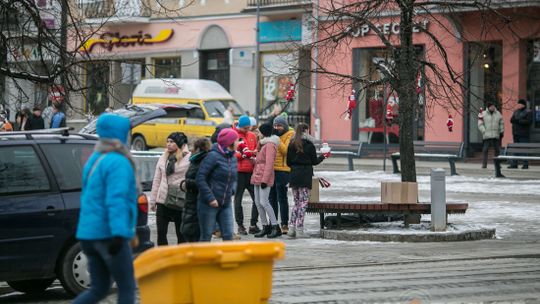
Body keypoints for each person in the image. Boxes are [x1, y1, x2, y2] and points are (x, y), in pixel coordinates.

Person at [74, 114, 138, 304]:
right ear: (119, 134)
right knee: (127, 287)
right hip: (109, 235)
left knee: (99, 289)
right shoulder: (118, 162)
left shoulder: (96, 158)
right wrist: (119, 233)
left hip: (88, 235)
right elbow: (116, 199)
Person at [286, 123, 330, 238]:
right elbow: (314, 161)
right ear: (306, 131)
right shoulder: (309, 145)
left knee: (296, 203)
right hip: (305, 175)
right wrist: (324, 156)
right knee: (303, 203)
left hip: (294, 175)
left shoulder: (291, 143)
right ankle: (300, 229)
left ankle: (291, 229)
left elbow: (288, 163)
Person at [196, 128, 238, 242]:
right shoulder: (213, 156)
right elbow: (200, 178)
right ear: (230, 143)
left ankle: (227, 260)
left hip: (226, 203)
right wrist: (210, 198)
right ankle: (203, 259)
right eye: (237, 140)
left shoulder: (233, 158)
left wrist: (232, 190)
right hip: (209, 204)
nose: (239, 142)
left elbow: (234, 178)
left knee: (228, 235)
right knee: (206, 237)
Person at [149, 132, 190, 245]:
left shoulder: (188, 158)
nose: (168, 144)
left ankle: (181, 259)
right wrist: (153, 201)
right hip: (162, 200)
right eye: (167, 141)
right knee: (161, 233)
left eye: (172, 142)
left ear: (180, 143)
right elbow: (157, 179)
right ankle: (163, 260)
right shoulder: (163, 157)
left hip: (179, 200)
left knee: (181, 235)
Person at [251, 123, 281, 238]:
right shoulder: (262, 144)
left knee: (264, 202)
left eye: (259, 132)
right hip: (257, 174)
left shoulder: (270, 145)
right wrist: (251, 158)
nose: (258, 134)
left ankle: (275, 226)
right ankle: (265, 227)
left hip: (264, 177)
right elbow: (259, 161)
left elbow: (269, 164)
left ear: (264, 133)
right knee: (258, 202)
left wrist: (264, 180)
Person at [180, 138, 211, 242]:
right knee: (188, 232)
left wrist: (187, 183)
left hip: (197, 201)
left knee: (194, 233)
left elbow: (205, 182)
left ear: (198, 148)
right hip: (191, 200)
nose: (190, 149)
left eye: (192, 147)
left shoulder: (204, 160)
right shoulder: (195, 159)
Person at [233, 115, 260, 235]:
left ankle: (253, 224)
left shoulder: (252, 136)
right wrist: (244, 155)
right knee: (238, 199)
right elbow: (231, 154)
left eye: (248, 127)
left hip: (250, 171)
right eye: (245, 128)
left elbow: (256, 150)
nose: (247, 130)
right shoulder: (233, 136)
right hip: (238, 171)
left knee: (257, 199)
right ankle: (240, 225)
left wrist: (254, 154)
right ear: (239, 126)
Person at [269, 114, 294, 234]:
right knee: (271, 198)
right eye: (275, 125)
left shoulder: (290, 135)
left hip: (283, 171)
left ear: (284, 126)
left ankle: (285, 224)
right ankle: (273, 224)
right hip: (272, 170)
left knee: (282, 198)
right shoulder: (274, 135)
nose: (276, 127)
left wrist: (277, 141)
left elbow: (286, 152)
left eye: (279, 125)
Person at [478, 102, 504, 169]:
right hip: (487, 135)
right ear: (488, 107)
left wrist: (501, 131)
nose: (492, 107)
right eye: (491, 106)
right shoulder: (483, 114)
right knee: (485, 149)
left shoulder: (498, 113)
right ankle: (484, 164)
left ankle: (497, 164)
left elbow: (501, 123)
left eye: (493, 106)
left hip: (495, 134)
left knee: (497, 150)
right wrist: (484, 131)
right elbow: (480, 124)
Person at [508, 99, 533, 169]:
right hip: (515, 133)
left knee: (524, 149)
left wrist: (518, 121)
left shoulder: (528, 112)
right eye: (518, 104)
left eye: (520, 104)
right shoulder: (516, 111)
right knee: (516, 149)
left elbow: (529, 122)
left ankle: (525, 164)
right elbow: (512, 119)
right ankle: (514, 164)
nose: (518, 105)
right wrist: (514, 120)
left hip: (524, 134)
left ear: (523, 105)